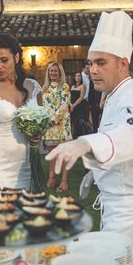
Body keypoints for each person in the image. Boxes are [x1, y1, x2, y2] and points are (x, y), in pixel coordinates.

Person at [46, 11, 133, 252]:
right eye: (90, 63)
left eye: (101, 63)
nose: (92, 70)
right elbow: (115, 138)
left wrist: (85, 143)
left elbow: (130, 136)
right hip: (122, 200)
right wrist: (96, 174)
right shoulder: (115, 94)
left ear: (122, 64)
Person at [0, 33, 42, 191]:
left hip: (27, 162)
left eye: (4, 60)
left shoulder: (33, 87)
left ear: (16, 58)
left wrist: (38, 134)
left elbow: (41, 124)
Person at [43, 62, 73, 192]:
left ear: (60, 72)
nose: (53, 73)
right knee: (51, 153)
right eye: (51, 71)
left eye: (55, 71)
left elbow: (64, 106)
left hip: (61, 125)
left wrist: (53, 120)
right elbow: (43, 106)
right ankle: (51, 178)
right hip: (49, 126)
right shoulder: (45, 87)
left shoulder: (64, 87)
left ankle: (64, 181)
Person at [70, 71, 90, 138]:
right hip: (72, 107)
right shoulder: (72, 86)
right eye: (76, 76)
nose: (78, 77)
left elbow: (81, 97)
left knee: (79, 123)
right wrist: (70, 104)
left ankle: (81, 137)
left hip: (80, 107)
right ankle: (74, 137)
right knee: (73, 122)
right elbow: (69, 96)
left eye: (79, 76)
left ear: (81, 78)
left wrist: (74, 105)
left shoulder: (82, 86)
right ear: (74, 77)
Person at [84, 61, 102, 132]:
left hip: (101, 103)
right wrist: (90, 104)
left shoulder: (103, 79)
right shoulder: (92, 81)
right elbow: (91, 92)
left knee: (102, 121)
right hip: (94, 104)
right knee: (94, 123)